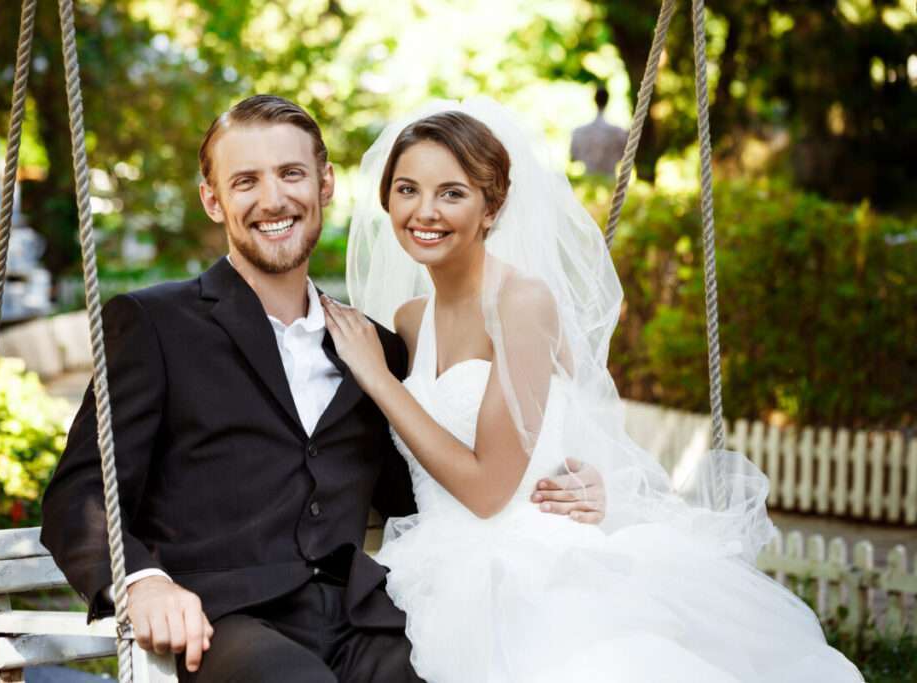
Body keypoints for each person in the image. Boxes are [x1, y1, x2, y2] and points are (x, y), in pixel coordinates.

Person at [40, 94, 605, 683]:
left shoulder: (377, 351)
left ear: (325, 185)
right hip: (227, 623)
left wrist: (559, 484)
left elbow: (422, 482)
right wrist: (144, 582)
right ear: (213, 199)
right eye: (245, 182)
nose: (274, 199)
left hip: (361, 621)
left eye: (290, 174)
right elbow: (79, 492)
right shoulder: (155, 324)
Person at [325, 98, 864, 682]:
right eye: (407, 189)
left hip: (523, 567)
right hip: (430, 560)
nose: (424, 211)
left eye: (451, 193)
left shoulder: (521, 303)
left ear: (491, 207)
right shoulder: (408, 320)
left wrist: (378, 379)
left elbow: (488, 490)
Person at [569, 85, 628, 178]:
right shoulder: (619, 133)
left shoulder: (579, 132)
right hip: (610, 181)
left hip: (588, 179)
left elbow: (573, 157)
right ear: (608, 101)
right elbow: (625, 157)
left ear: (594, 100)